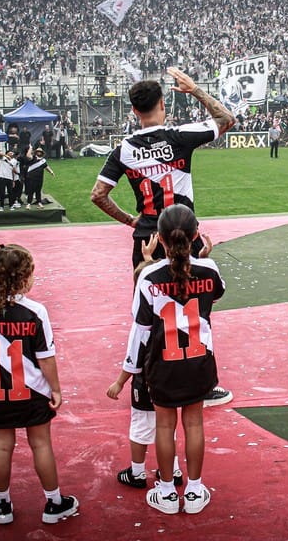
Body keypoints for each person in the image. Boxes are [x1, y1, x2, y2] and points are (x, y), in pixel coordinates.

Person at [91, 67, 236, 407]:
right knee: (196, 310)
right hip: (186, 234)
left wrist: (131, 220)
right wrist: (197, 90)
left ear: (133, 111)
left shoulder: (124, 149)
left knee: (146, 313)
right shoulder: (179, 136)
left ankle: (144, 385)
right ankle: (200, 383)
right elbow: (225, 119)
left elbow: (98, 194)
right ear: (163, 104)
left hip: (148, 240)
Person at [0, 243, 79, 526]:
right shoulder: (35, 312)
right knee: (41, 444)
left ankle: (2, 503)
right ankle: (54, 502)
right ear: (22, 277)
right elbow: (46, 358)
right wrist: (55, 388)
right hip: (33, 392)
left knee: (1, 446)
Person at [124, 205, 225, 515]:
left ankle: (167, 491)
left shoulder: (149, 275)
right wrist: (203, 257)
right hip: (198, 361)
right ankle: (194, 489)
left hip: (163, 364)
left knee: (164, 427)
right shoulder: (210, 269)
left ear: (162, 239)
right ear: (195, 235)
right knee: (194, 424)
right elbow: (216, 294)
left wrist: (129, 370)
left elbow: (140, 330)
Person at [107, 233, 201, 491]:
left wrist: (119, 382)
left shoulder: (143, 318)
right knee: (168, 426)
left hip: (149, 375)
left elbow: (135, 352)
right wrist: (150, 260)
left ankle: (137, 472)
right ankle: (173, 470)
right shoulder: (177, 305)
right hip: (177, 368)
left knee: (142, 426)